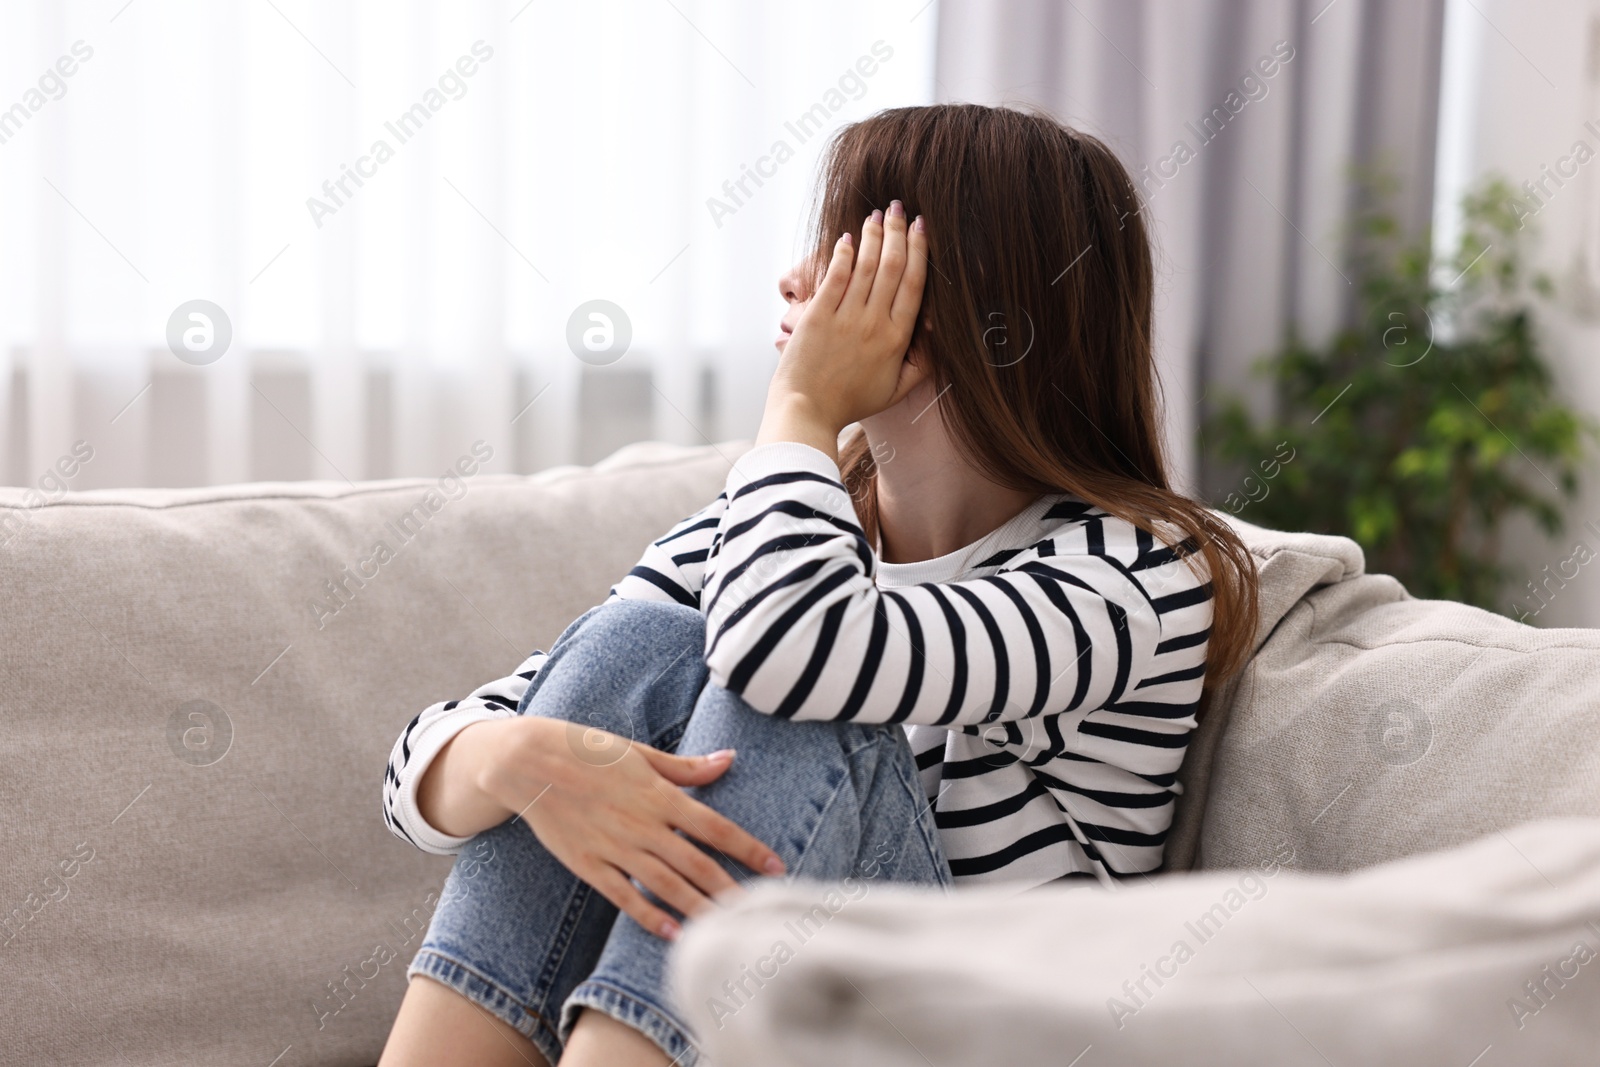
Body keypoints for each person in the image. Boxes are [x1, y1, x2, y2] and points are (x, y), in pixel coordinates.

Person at [376, 102, 1260, 1067]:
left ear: (971, 308)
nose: (801, 282)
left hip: (978, 1034)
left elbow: (790, 653)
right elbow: (447, 748)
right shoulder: (767, 529)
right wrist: (518, 763)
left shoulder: (1136, 570)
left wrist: (800, 405)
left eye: (853, 251)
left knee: (789, 690)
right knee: (638, 651)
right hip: (788, 1027)